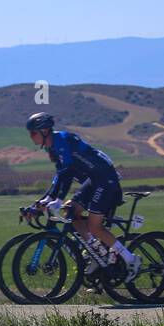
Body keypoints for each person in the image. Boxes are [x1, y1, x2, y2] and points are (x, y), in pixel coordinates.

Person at [24, 111, 140, 282]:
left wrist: (57, 199)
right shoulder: (53, 148)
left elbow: (68, 173)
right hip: (93, 181)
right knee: (70, 211)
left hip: (104, 178)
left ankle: (131, 259)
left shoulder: (61, 140)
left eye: (33, 132)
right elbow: (59, 177)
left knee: (94, 226)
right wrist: (43, 201)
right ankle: (97, 253)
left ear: (44, 130)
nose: (31, 137)